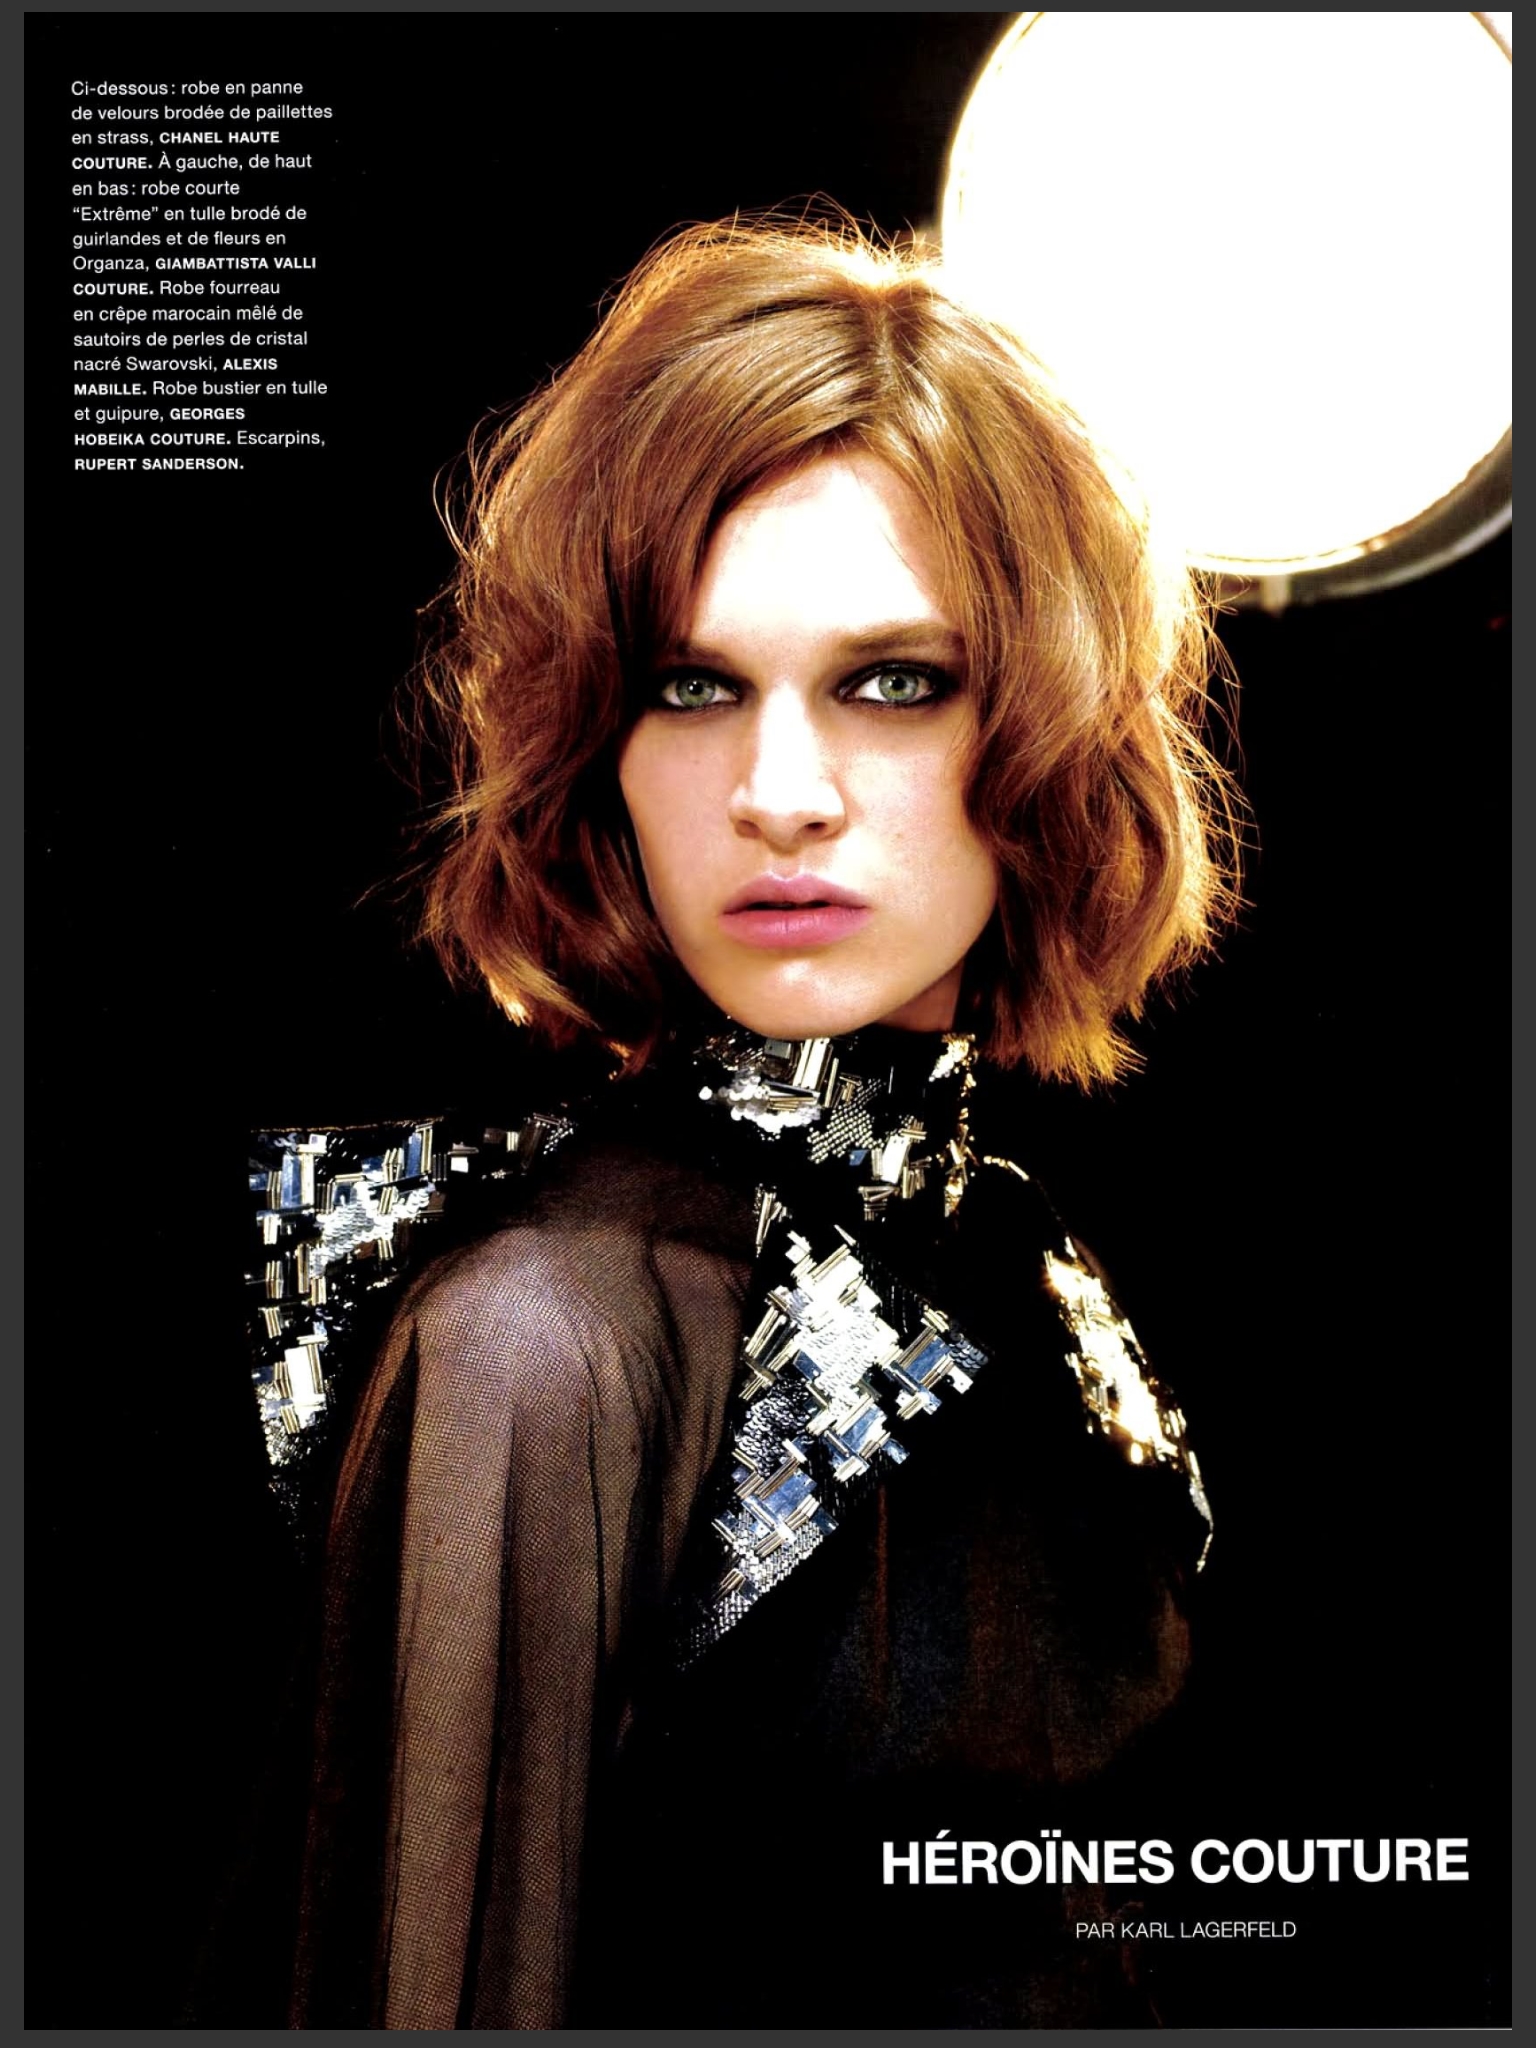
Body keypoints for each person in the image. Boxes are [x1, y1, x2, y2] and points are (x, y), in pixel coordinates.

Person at [280, 214, 1239, 2030]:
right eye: (691, 685)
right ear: (599, 744)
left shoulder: (1021, 1262)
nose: (778, 793)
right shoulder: (545, 1338)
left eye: (893, 682)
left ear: (1043, 721)